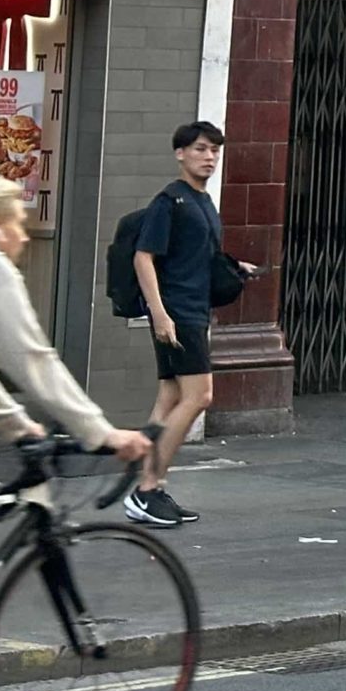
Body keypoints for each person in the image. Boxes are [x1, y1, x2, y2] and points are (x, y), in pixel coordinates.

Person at [0, 173, 151, 691]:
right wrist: (102, 433)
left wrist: (19, 429)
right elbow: (34, 361)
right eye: (19, 226)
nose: (25, 238)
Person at [130, 119, 228, 528]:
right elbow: (143, 257)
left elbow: (195, 256)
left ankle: (143, 484)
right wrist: (159, 313)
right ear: (180, 153)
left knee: (169, 398)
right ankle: (148, 487)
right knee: (199, 396)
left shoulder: (202, 201)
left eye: (215, 151)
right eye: (202, 149)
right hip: (178, 314)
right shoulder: (169, 201)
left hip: (192, 310)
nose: (209, 158)